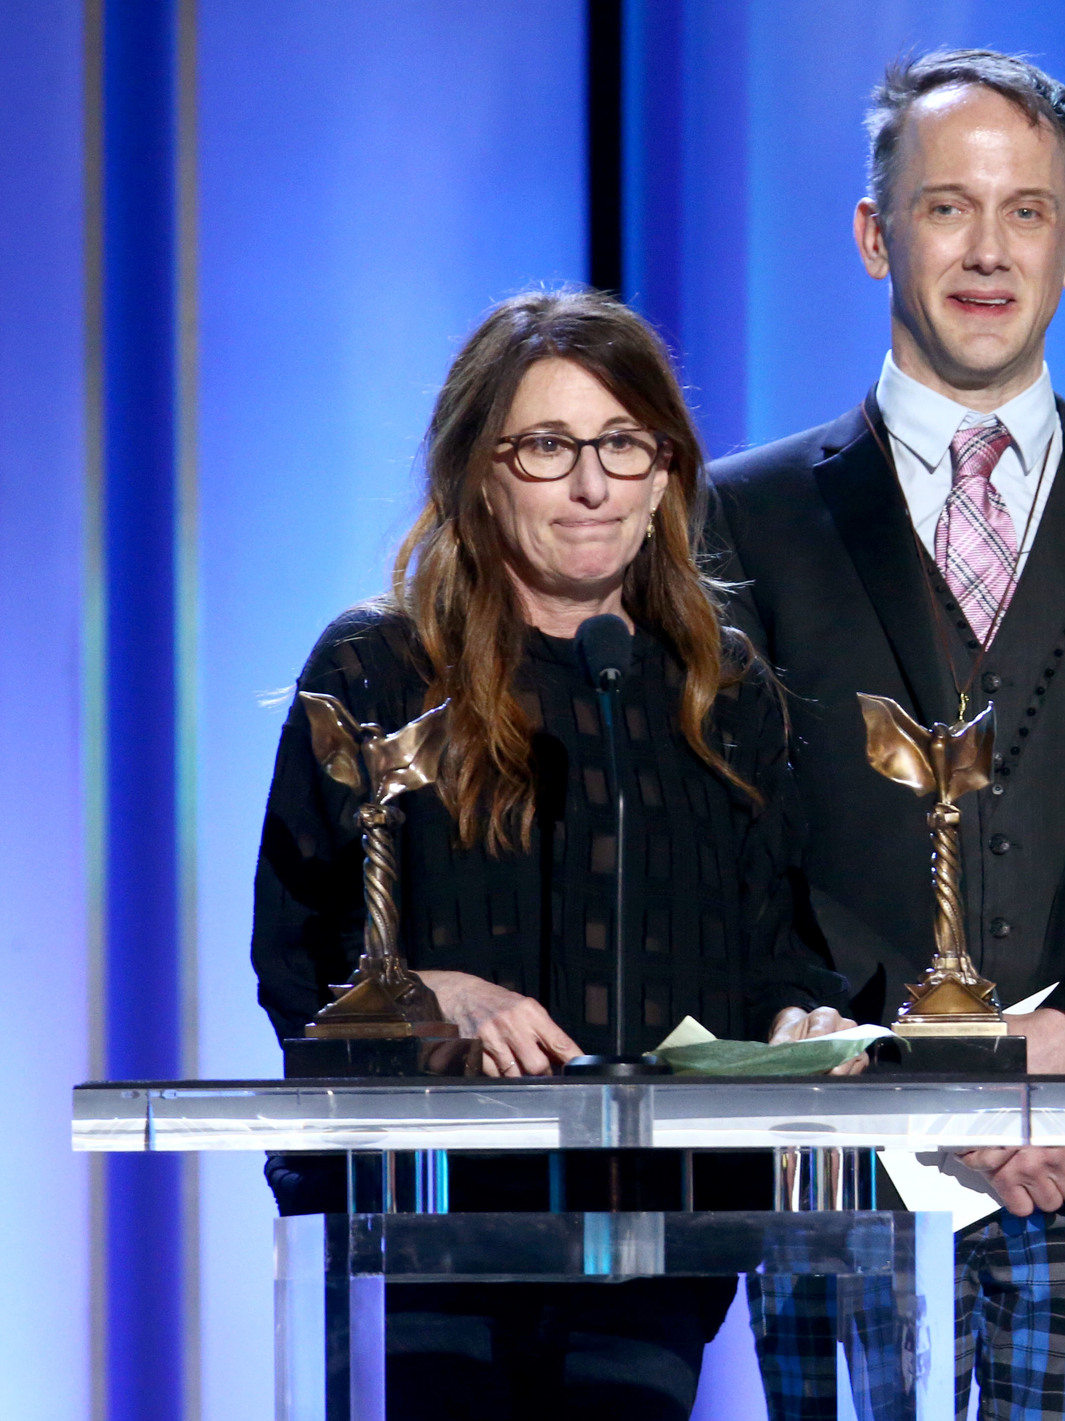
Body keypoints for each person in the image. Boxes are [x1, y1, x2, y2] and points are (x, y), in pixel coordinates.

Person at [707, 49, 1065, 1420]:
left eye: (1026, 211)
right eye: (946, 207)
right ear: (874, 234)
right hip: (843, 1156)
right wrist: (907, 1075)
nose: (988, 250)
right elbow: (723, 836)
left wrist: (1063, 1050)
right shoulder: (745, 518)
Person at [251, 289, 858, 1419]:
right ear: (478, 469)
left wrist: (797, 1025)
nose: (591, 483)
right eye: (547, 446)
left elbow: (778, 946)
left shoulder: (721, 690)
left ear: (665, 471)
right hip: (424, 1221)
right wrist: (428, 994)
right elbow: (298, 950)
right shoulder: (379, 669)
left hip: (655, 1225)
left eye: (623, 444)